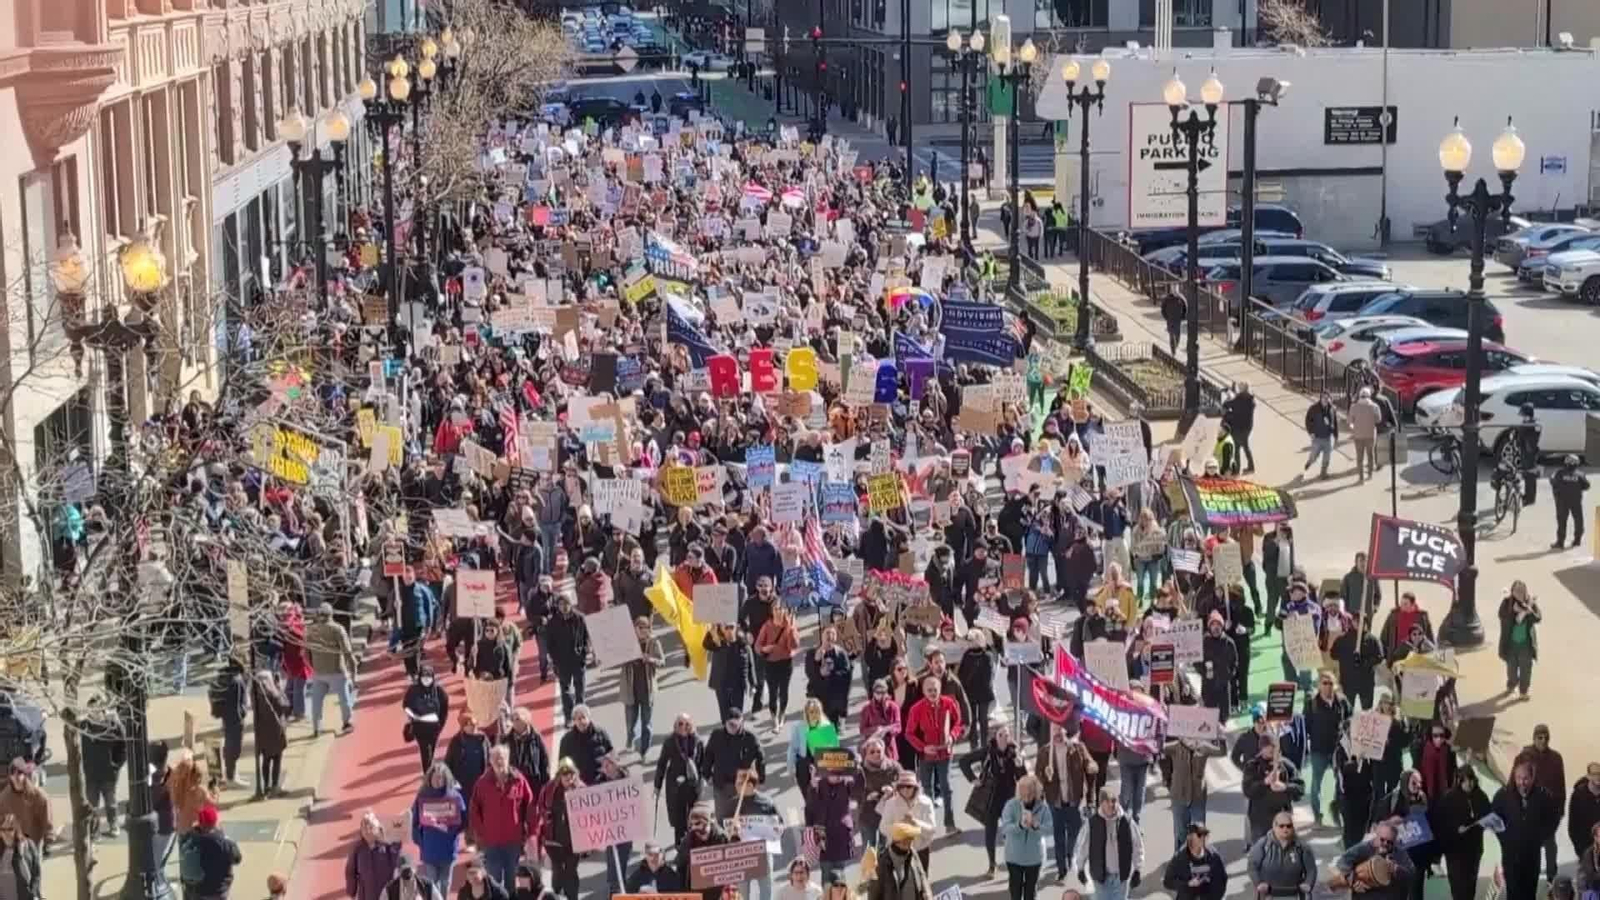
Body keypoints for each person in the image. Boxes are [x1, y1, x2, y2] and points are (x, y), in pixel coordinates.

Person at [960, 722, 1028, 876]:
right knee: (990, 831)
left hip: (1009, 798)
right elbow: (964, 761)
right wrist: (973, 779)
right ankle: (992, 864)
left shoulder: (1015, 752)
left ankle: (1013, 861)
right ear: (995, 737)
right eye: (1000, 735)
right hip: (991, 796)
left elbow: (1022, 779)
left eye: (1006, 735)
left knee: (1010, 833)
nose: (1004, 738)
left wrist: (1020, 765)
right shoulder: (988, 751)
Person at [1493, 759, 1563, 900]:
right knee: (1513, 894)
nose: (1522, 782)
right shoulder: (1503, 795)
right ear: (1514, 777)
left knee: (1529, 893)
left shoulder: (1542, 795)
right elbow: (1494, 819)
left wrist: (1542, 836)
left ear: (1532, 778)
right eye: (1518, 778)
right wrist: (1505, 838)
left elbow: (1554, 817)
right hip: (1511, 856)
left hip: (1532, 856)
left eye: (1525, 778)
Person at [904, 674, 965, 835]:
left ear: (940, 690)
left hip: (945, 753)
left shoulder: (949, 703)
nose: (932, 692)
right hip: (926, 756)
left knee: (946, 787)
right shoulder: (916, 709)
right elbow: (909, 733)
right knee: (927, 790)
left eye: (935, 689)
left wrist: (952, 736)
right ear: (924, 691)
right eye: (929, 690)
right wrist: (923, 748)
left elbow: (958, 723)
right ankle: (929, 825)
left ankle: (950, 824)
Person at [1040, 724, 1096, 880]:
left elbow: (1091, 766)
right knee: (1058, 836)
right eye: (1054, 731)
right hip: (1055, 801)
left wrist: (1091, 766)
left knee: (1074, 833)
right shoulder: (1045, 752)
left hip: (1073, 800)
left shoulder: (1078, 748)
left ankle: (1070, 853)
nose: (1057, 734)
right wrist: (1045, 775)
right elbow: (1038, 778)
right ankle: (1061, 869)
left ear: (1065, 731)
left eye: (1060, 730)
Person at [1514, 724, 1567, 883]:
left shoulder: (1556, 758)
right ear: (1534, 738)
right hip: (1530, 809)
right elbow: (1516, 781)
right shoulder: (1524, 757)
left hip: (1550, 811)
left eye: (1546, 737)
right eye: (1540, 737)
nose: (1543, 741)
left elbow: (1561, 784)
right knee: (1530, 846)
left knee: (1550, 845)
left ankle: (1551, 876)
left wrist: (1561, 808)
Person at [1072, 788, 1143, 900]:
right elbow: (1083, 847)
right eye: (1108, 801)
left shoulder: (1127, 822)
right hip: (1101, 879)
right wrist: (1080, 869)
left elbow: (1137, 845)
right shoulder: (1092, 824)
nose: (1112, 804)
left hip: (1121, 878)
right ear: (1101, 803)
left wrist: (1137, 869)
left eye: (1114, 800)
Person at [1435, 767, 1493, 900]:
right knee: (1458, 887)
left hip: (1474, 849)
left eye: (1471, 780)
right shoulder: (1449, 798)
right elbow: (1440, 823)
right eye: (1465, 780)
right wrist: (1455, 828)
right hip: (1455, 851)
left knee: (1470, 886)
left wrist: (1482, 823)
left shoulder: (1481, 796)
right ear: (1459, 781)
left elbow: (1488, 815)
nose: (1469, 783)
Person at [1303, 672, 1351, 829]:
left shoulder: (1342, 702)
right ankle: (1317, 816)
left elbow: (1350, 721)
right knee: (1316, 784)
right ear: (1318, 685)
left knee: (1342, 783)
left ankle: (1337, 812)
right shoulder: (1311, 704)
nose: (1328, 687)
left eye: (1330, 683)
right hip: (1319, 750)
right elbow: (1306, 726)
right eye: (1324, 683)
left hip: (1338, 750)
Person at [411, 762, 466, 888]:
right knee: (431, 884)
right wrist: (421, 841)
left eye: (441, 777)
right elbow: (414, 823)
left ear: (446, 778)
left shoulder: (454, 797)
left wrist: (454, 833)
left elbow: (463, 820)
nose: (437, 780)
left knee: (445, 883)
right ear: (429, 778)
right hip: (430, 850)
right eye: (435, 777)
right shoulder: (422, 796)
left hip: (448, 849)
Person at [533, 759, 582, 900]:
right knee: (558, 871)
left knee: (571, 872)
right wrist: (545, 815)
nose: (569, 776)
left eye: (571, 773)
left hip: (574, 842)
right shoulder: (549, 789)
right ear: (559, 775)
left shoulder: (581, 788)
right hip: (553, 840)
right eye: (565, 773)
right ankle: (556, 897)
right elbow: (540, 807)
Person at [1242, 736, 1303, 849]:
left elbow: (1300, 789)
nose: (1270, 749)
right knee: (1261, 856)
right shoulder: (1253, 766)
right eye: (1267, 746)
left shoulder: (1286, 765)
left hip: (1283, 819)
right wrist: (1265, 782)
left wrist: (1285, 787)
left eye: (1273, 746)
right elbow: (1247, 790)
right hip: (1260, 821)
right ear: (1261, 748)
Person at [1329, 819, 1415, 900]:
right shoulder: (1363, 848)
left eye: (1390, 842)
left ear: (1395, 841)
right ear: (1377, 835)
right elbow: (1343, 862)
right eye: (1382, 839)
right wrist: (1352, 881)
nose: (1385, 844)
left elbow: (1411, 873)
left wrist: (1397, 869)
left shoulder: (1400, 853)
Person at [702, 709, 764, 820]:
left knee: (744, 817)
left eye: (736, 724)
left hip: (743, 784)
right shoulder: (716, 736)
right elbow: (708, 755)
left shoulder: (750, 738)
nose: (733, 727)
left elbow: (760, 758)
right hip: (722, 784)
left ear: (741, 722)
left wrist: (761, 778)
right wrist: (707, 775)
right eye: (730, 724)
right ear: (725, 722)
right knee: (723, 817)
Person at [306, 606, 357, 738]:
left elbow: (305, 653)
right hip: (336, 670)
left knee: (316, 701)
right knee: (344, 698)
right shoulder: (337, 629)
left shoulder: (310, 630)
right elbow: (347, 652)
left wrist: (312, 667)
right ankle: (347, 723)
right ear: (331, 615)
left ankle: (317, 727)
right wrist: (353, 673)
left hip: (318, 672)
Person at [654, 713, 705, 844]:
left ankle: (694, 842)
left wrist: (704, 778)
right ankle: (680, 845)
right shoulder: (670, 741)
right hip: (676, 786)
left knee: (695, 816)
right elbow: (662, 764)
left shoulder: (697, 740)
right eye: (680, 724)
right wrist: (657, 786)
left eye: (687, 724)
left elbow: (703, 762)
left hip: (693, 785)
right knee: (679, 819)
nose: (683, 727)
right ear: (675, 726)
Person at [1164, 733, 1221, 850]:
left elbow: (1221, 751)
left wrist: (1220, 735)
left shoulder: (1203, 748)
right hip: (1179, 796)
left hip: (1197, 797)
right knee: (1181, 833)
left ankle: (1198, 859)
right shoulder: (1176, 747)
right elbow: (1158, 747)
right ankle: (1180, 860)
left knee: (1198, 833)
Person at [77, 704, 126, 838]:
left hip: (107, 772)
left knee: (111, 803)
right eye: (92, 711)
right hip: (92, 773)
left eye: (97, 711)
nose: (94, 714)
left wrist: (116, 765)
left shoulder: (112, 726)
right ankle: (94, 831)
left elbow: (123, 744)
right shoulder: (85, 726)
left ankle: (113, 825)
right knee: (92, 806)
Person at [1000, 774, 1052, 900]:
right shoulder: (1011, 805)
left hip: (1034, 859)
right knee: (1015, 892)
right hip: (1014, 858)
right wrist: (1020, 826)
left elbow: (1049, 829)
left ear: (1035, 792)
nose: (1026, 797)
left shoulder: (1043, 809)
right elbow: (1005, 828)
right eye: (1023, 794)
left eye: (1029, 794)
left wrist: (1035, 825)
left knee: (1030, 894)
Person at [874, 770, 936, 874]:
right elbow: (883, 827)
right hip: (897, 850)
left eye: (909, 786)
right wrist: (901, 828)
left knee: (922, 881)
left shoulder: (926, 803)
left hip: (920, 849)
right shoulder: (890, 804)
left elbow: (932, 829)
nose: (906, 789)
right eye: (902, 786)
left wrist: (915, 823)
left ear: (915, 787)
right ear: (898, 788)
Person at [621, 616, 666, 758]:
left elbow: (662, 661)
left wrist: (650, 659)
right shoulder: (627, 642)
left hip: (647, 690)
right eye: (638, 628)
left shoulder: (653, 643)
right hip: (631, 690)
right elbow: (617, 659)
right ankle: (630, 737)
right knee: (630, 721)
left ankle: (644, 750)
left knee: (646, 724)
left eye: (643, 628)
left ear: (648, 629)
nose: (640, 631)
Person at [179, 804, 242, 900]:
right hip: (217, 892)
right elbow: (237, 858)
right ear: (215, 822)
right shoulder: (223, 843)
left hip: (193, 891)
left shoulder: (189, 838)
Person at [545, 594, 589, 727]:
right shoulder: (552, 622)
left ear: (571, 604)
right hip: (562, 662)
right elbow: (550, 644)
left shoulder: (579, 618)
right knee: (565, 691)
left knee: (580, 690)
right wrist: (554, 661)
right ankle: (569, 717)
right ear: (557, 606)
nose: (564, 607)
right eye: (561, 604)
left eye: (566, 604)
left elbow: (585, 637)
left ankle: (582, 716)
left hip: (577, 660)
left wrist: (584, 653)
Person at [1498, 582, 1543, 700]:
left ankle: (1523, 691)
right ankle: (1511, 685)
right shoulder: (1507, 602)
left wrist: (1528, 612)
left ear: (1525, 592)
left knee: (1526, 670)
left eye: (1522, 591)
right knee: (1511, 670)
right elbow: (1501, 615)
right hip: (1511, 644)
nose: (1519, 594)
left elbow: (1538, 618)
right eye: (1516, 591)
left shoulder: (1530, 603)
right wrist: (1514, 612)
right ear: (1512, 592)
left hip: (1526, 645)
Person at [1161, 823, 1227, 900]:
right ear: (1190, 838)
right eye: (1199, 835)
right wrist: (1187, 884)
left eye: (1205, 834)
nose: (1204, 838)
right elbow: (1168, 882)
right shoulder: (1180, 858)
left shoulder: (1213, 856)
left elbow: (1222, 880)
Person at [867, 822, 932, 900]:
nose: (912, 842)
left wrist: (927, 893)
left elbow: (922, 875)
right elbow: (873, 894)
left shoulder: (912, 853)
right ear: (901, 842)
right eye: (909, 839)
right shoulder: (882, 863)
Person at [345, 812, 401, 900]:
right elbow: (350, 871)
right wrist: (352, 892)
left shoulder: (388, 845)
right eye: (364, 828)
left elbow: (397, 861)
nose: (367, 831)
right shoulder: (358, 849)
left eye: (371, 827)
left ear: (378, 829)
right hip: (366, 895)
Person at [1550, 453, 1589, 548]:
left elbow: (1553, 482)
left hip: (1562, 501)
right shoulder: (1580, 474)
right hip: (1576, 501)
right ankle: (1577, 540)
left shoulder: (1559, 473)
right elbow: (1586, 486)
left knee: (1562, 521)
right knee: (1578, 520)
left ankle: (1560, 542)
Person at [0, 813, 42, 900]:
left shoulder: (28, 845)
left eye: (10, 829)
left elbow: (35, 875)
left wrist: (34, 895)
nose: (6, 833)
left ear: (16, 830)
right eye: (3, 829)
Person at [1569, 763, 1600, 872]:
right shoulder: (1578, 795)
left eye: (1599, 774)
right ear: (1588, 776)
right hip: (1584, 848)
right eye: (1594, 774)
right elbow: (1573, 826)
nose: (1598, 777)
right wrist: (1581, 852)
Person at [1350, 387, 1383, 482]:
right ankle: (1370, 475)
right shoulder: (1375, 407)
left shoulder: (1354, 407)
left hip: (1358, 435)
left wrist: (1354, 427)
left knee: (1359, 457)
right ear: (1369, 396)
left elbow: (1350, 421)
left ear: (1360, 396)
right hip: (1370, 435)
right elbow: (1378, 420)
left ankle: (1361, 478)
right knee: (1370, 455)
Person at [1223, 383, 1257, 473]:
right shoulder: (1251, 400)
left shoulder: (1238, 399)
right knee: (1245, 446)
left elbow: (1226, 405)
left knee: (1236, 448)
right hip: (1247, 428)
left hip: (1237, 427)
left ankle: (1237, 470)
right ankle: (1251, 467)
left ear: (1241, 389)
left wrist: (1229, 397)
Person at [1303, 392, 1338, 479]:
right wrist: (1311, 432)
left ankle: (1323, 473)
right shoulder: (1314, 409)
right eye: (1324, 398)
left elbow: (1335, 423)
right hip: (1317, 438)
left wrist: (1335, 435)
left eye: (1327, 398)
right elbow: (1308, 421)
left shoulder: (1332, 409)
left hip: (1327, 437)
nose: (1326, 400)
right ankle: (1309, 462)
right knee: (1314, 456)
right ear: (1320, 398)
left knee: (1327, 456)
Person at [1161, 291, 1186, 355]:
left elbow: (1163, 309)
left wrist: (1166, 317)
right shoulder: (1180, 298)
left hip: (1170, 318)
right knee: (1177, 334)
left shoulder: (1166, 299)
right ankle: (1175, 347)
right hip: (1177, 318)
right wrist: (1183, 316)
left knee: (1171, 334)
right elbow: (1185, 306)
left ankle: (1173, 349)